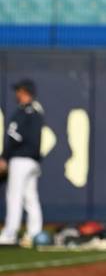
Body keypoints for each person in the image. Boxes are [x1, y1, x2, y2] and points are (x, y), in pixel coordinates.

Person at [0, 79, 44, 246]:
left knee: (14, 196)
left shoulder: (23, 112)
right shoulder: (37, 111)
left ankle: (10, 233)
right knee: (30, 197)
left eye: (19, 90)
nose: (17, 93)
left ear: (25, 92)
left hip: (20, 159)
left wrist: (4, 157)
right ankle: (35, 233)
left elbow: (14, 137)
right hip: (33, 161)